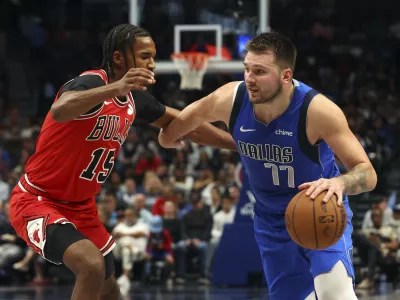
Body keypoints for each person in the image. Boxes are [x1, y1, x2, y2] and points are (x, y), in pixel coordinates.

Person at [9, 24, 236, 300]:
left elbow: (185, 123)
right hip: (37, 199)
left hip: (82, 208)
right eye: (144, 56)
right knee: (90, 266)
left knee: (109, 289)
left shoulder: (134, 99)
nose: (152, 63)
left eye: (153, 56)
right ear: (119, 58)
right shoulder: (91, 82)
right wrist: (115, 86)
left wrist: (237, 146)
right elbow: (60, 109)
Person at [159, 31, 377, 299]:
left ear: (286, 76)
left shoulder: (318, 111)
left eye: (260, 71)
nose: (250, 79)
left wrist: (339, 183)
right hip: (271, 221)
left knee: (334, 292)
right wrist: (168, 138)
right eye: (247, 69)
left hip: (319, 208)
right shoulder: (229, 99)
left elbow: (367, 173)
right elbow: (174, 130)